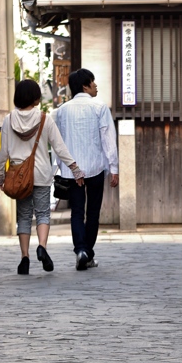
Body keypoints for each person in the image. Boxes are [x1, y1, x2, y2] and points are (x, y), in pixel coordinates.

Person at [0, 79, 85, 275]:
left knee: (24, 216)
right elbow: (59, 147)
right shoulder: (45, 119)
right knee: (43, 213)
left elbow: (3, 152)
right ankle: (42, 247)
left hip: (19, 177)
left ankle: (24, 258)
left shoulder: (9, 120)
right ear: (35, 98)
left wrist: (0, 175)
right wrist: (75, 168)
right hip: (42, 175)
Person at [54, 68, 119, 271]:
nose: (96, 85)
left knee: (76, 212)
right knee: (92, 213)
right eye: (93, 82)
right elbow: (108, 139)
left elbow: (57, 143)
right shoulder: (100, 107)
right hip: (95, 167)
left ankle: (81, 250)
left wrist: (60, 166)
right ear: (85, 85)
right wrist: (114, 167)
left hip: (72, 170)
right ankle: (87, 253)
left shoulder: (61, 111)